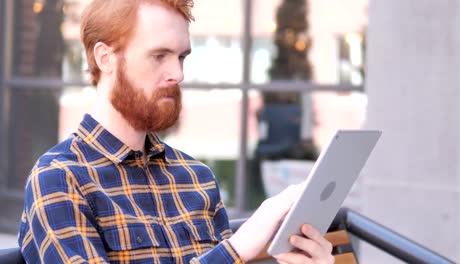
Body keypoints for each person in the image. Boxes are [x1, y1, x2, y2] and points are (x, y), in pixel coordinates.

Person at [18, 0, 334, 263]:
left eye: (181, 57)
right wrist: (237, 248)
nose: (178, 74)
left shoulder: (195, 177)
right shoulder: (61, 179)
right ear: (105, 58)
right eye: (159, 56)